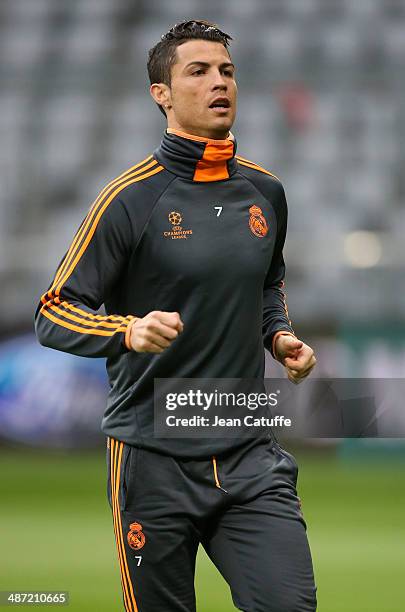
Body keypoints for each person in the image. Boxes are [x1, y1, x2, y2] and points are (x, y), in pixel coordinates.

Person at [35, 19, 317, 612]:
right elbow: (54, 311)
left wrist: (279, 334)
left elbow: (269, 283)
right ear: (161, 93)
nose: (219, 82)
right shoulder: (129, 199)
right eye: (199, 71)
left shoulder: (267, 193)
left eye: (227, 71)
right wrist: (127, 330)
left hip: (249, 452)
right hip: (152, 457)